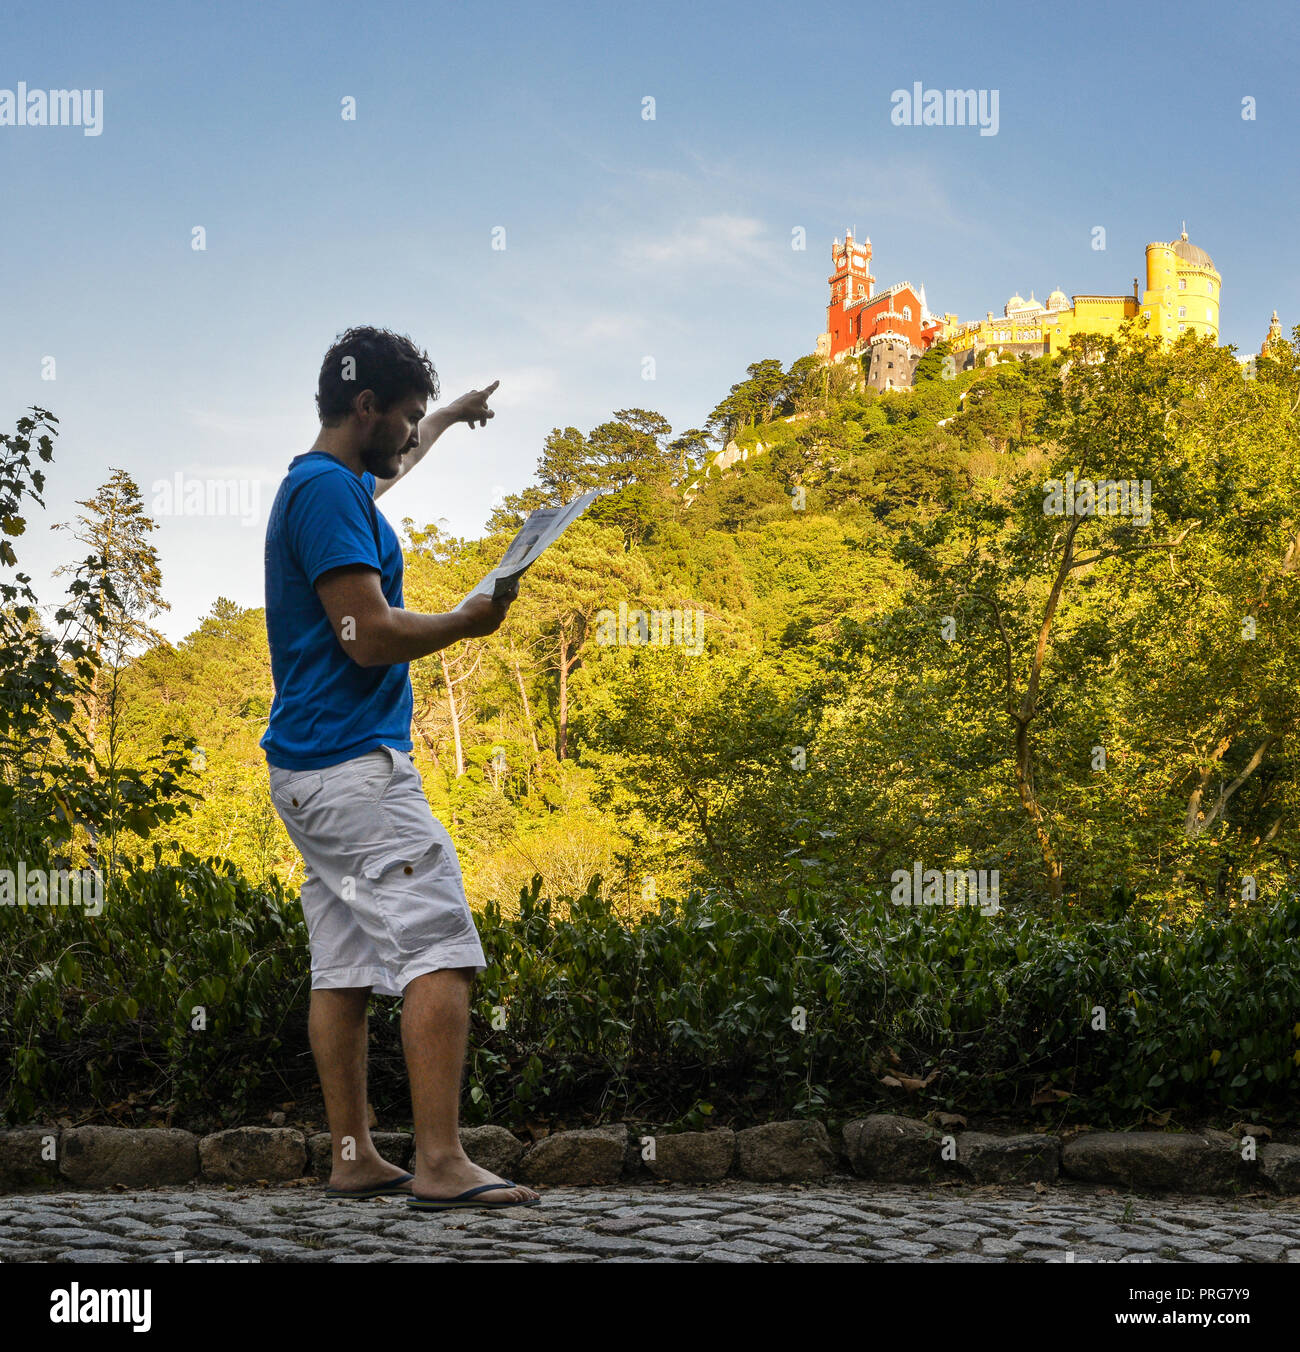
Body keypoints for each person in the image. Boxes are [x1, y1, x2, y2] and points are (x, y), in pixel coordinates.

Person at [260, 325, 539, 1211]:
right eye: (408, 416)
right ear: (366, 408)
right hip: (354, 769)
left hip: (308, 770)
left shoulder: (330, 482)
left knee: (342, 965)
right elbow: (367, 635)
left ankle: (352, 1156)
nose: (412, 434)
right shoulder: (329, 497)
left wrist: (453, 415)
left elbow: (397, 466)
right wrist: (467, 620)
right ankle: (442, 1160)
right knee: (440, 948)